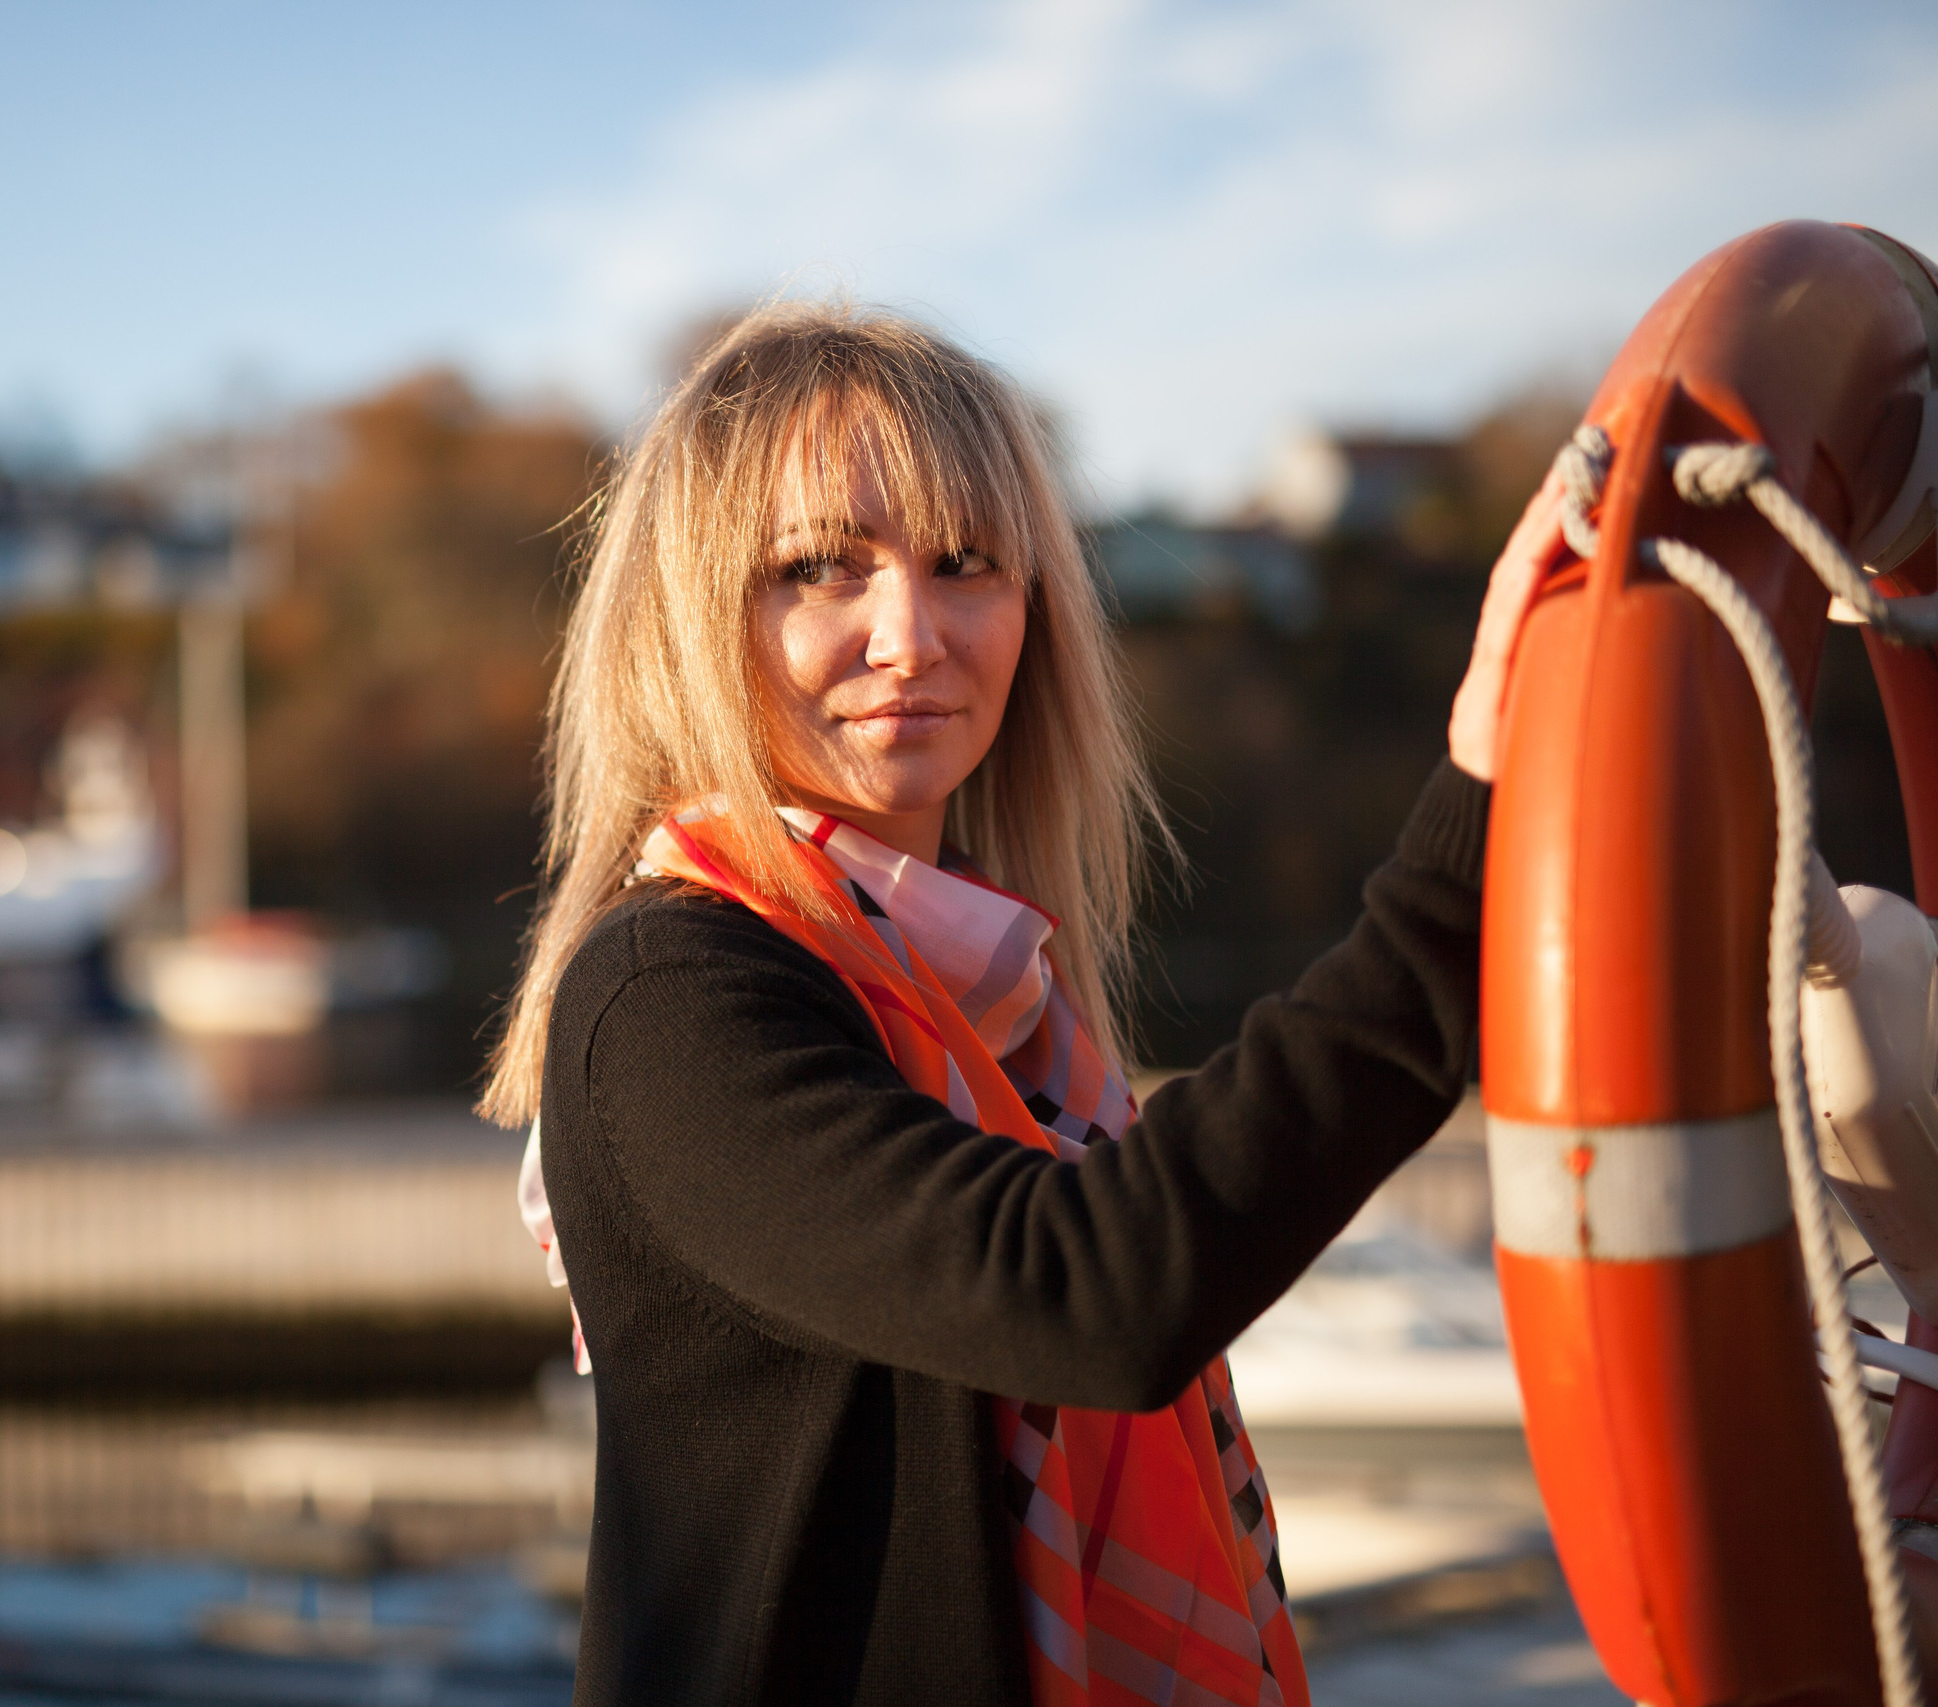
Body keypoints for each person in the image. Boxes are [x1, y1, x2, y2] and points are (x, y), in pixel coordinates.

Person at [481, 302, 1561, 1707]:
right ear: (690, 623)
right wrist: (1463, 869)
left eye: (965, 563)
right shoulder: (668, 995)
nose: (910, 634)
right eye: (817, 568)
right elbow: (1085, 1293)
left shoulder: (992, 1005)